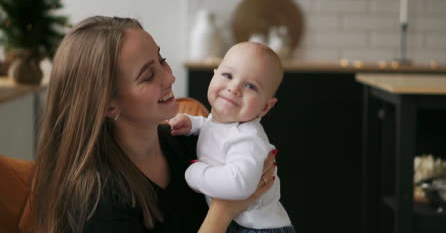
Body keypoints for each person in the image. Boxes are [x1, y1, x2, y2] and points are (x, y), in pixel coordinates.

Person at [31, 16, 277, 233]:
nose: (170, 77)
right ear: (108, 106)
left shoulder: (187, 143)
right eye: (148, 75)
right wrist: (224, 211)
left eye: (162, 60)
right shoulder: (96, 201)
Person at [168, 42, 295, 232]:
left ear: (265, 107)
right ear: (214, 76)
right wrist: (194, 124)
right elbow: (216, 130)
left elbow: (239, 184)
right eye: (227, 75)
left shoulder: (249, 140)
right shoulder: (225, 123)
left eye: (250, 86)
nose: (234, 88)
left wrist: (194, 173)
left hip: (257, 229)